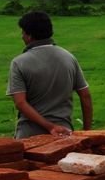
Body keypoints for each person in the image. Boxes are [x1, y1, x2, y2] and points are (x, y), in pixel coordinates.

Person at [7, 11, 93, 139]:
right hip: (65, 133)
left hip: (29, 135)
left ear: (30, 35)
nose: (22, 36)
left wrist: (50, 127)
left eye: (23, 32)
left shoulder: (19, 62)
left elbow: (20, 103)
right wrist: (87, 133)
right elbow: (85, 96)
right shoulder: (68, 57)